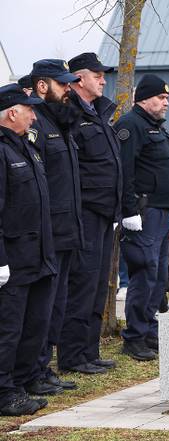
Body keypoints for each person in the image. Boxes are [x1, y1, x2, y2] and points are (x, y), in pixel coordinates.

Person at [25, 59, 84, 395]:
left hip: (66, 230)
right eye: (62, 84)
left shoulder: (61, 122)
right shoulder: (37, 124)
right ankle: (33, 369)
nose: (68, 91)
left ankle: (44, 366)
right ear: (42, 86)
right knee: (42, 309)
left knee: (57, 305)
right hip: (47, 233)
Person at [59, 52, 120, 375]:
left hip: (104, 212)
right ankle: (72, 355)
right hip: (85, 212)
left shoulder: (98, 113)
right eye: (98, 75)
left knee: (97, 284)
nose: (103, 80)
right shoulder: (70, 113)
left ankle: (89, 350)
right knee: (82, 283)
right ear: (79, 79)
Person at [0, 84, 55, 416]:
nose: (34, 116)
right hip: (14, 260)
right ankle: (4, 392)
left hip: (38, 257)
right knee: (8, 329)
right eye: (29, 110)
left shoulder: (26, 147)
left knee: (34, 325)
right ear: (11, 112)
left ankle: (19, 384)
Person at [114, 74, 169, 361]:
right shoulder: (131, 125)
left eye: (167, 98)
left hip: (161, 212)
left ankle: (150, 331)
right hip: (144, 212)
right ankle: (135, 337)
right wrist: (128, 211)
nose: (166, 103)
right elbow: (124, 170)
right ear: (143, 98)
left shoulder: (155, 127)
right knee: (144, 273)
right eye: (160, 98)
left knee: (160, 275)